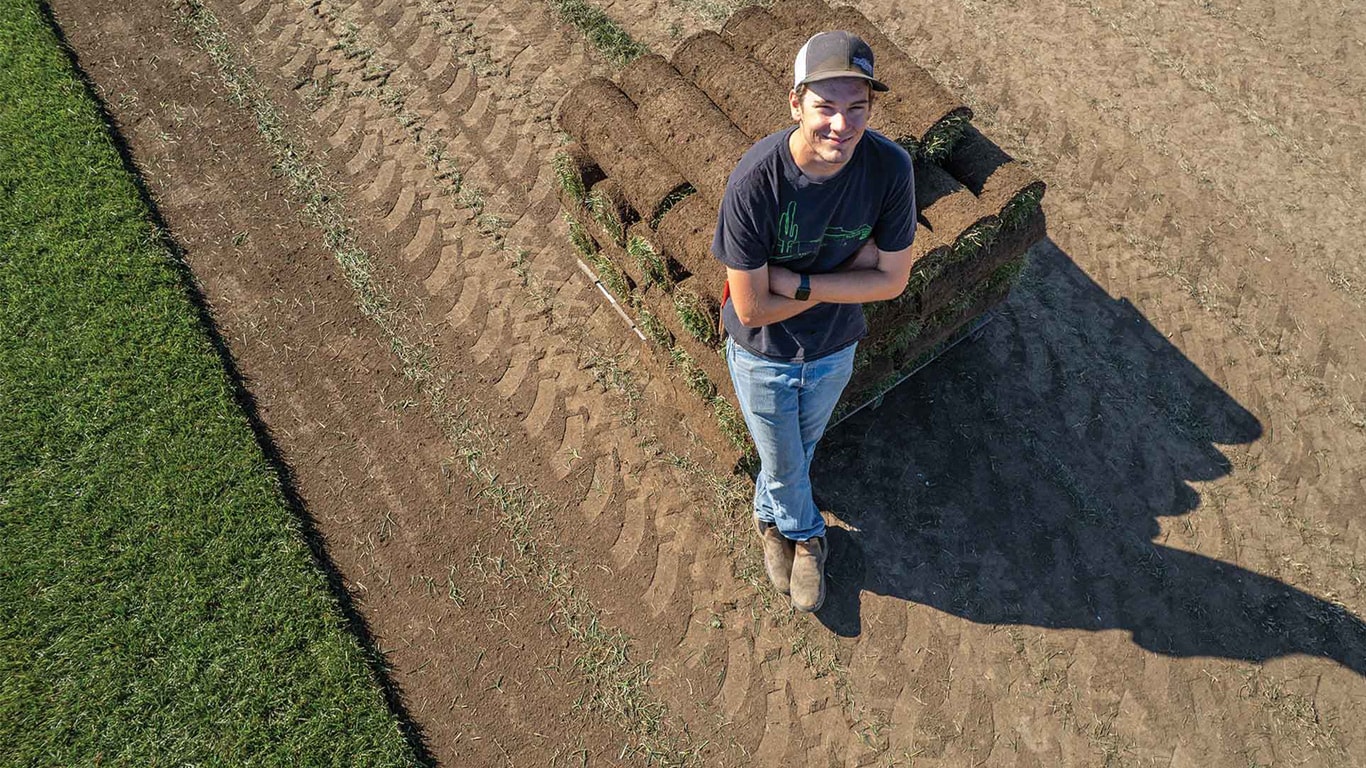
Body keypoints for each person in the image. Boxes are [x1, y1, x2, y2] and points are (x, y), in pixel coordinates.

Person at [712, 30, 917, 612]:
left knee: (794, 451)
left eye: (858, 108)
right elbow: (751, 307)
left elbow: (893, 280)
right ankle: (806, 538)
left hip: (834, 350)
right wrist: (851, 277)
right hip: (762, 352)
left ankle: (766, 521)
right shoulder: (756, 182)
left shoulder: (889, 168)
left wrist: (797, 283)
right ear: (796, 103)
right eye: (826, 107)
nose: (842, 126)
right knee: (784, 458)